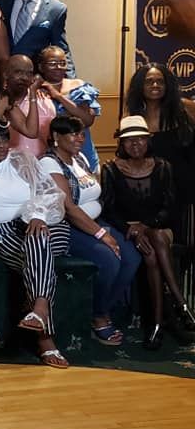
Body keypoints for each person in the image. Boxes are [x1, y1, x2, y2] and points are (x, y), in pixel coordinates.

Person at [0, 111, 70, 368]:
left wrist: (37, 215)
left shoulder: (22, 159)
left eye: (5, 138)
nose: (2, 144)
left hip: (48, 224)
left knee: (37, 239)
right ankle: (43, 328)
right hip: (5, 231)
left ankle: (41, 319)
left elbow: (52, 195)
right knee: (36, 250)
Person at [40, 116, 141, 347]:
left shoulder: (81, 159)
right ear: (56, 137)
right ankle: (99, 317)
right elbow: (68, 207)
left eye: (81, 134)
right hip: (69, 227)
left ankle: (101, 309)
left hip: (95, 221)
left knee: (132, 257)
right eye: (73, 134)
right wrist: (101, 234)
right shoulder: (49, 163)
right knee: (109, 260)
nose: (79, 138)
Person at [101, 116, 195, 349]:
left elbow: (169, 206)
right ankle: (178, 305)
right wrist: (130, 229)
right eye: (129, 141)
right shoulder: (110, 169)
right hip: (128, 229)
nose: (136, 145)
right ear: (121, 144)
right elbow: (109, 209)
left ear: (148, 141)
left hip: (160, 227)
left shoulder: (162, 166)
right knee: (152, 253)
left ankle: (156, 324)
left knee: (156, 238)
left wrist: (146, 225)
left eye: (141, 140)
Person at [126, 63, 195, 232]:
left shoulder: (186, 108)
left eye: (160, 81)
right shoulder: (133, 116)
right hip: (154, 190)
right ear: (140, 86)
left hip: (186, 183)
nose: (155, 85)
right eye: (149, 81)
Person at [0, 0, 74, 76]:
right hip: (2, 75)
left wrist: (71, 84)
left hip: (32, 78)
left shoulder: (56, 9)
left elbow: (61, 48)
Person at [38, 45, 101, 171]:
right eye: (53, 63)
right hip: (49, 152)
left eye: (62, 63)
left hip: (82, 149)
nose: (58, 67)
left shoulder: (78, 86)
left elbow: (88, 120)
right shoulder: (37, 90)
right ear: (41, 67)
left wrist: (58, 97)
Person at [5, 54, 55, 157]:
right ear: (6, 74)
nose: (24, 78)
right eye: (18, 72)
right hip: (6, 168)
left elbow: (53, 140)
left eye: (29, 73)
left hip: (39, 166)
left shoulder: (44, 102)